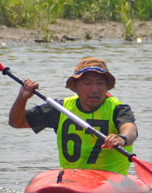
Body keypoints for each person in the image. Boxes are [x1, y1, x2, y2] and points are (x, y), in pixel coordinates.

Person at [9, 58, 138, 175]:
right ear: (75, 87)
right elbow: (17, 122)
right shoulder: (61, 109)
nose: (94, 89)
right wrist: (22, 98)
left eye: (100, 83)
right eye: (87, 83)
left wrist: (122, 138)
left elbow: (130, 128)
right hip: (73, 180)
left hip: (111, 181)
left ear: (106, 87)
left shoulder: (118, 109)